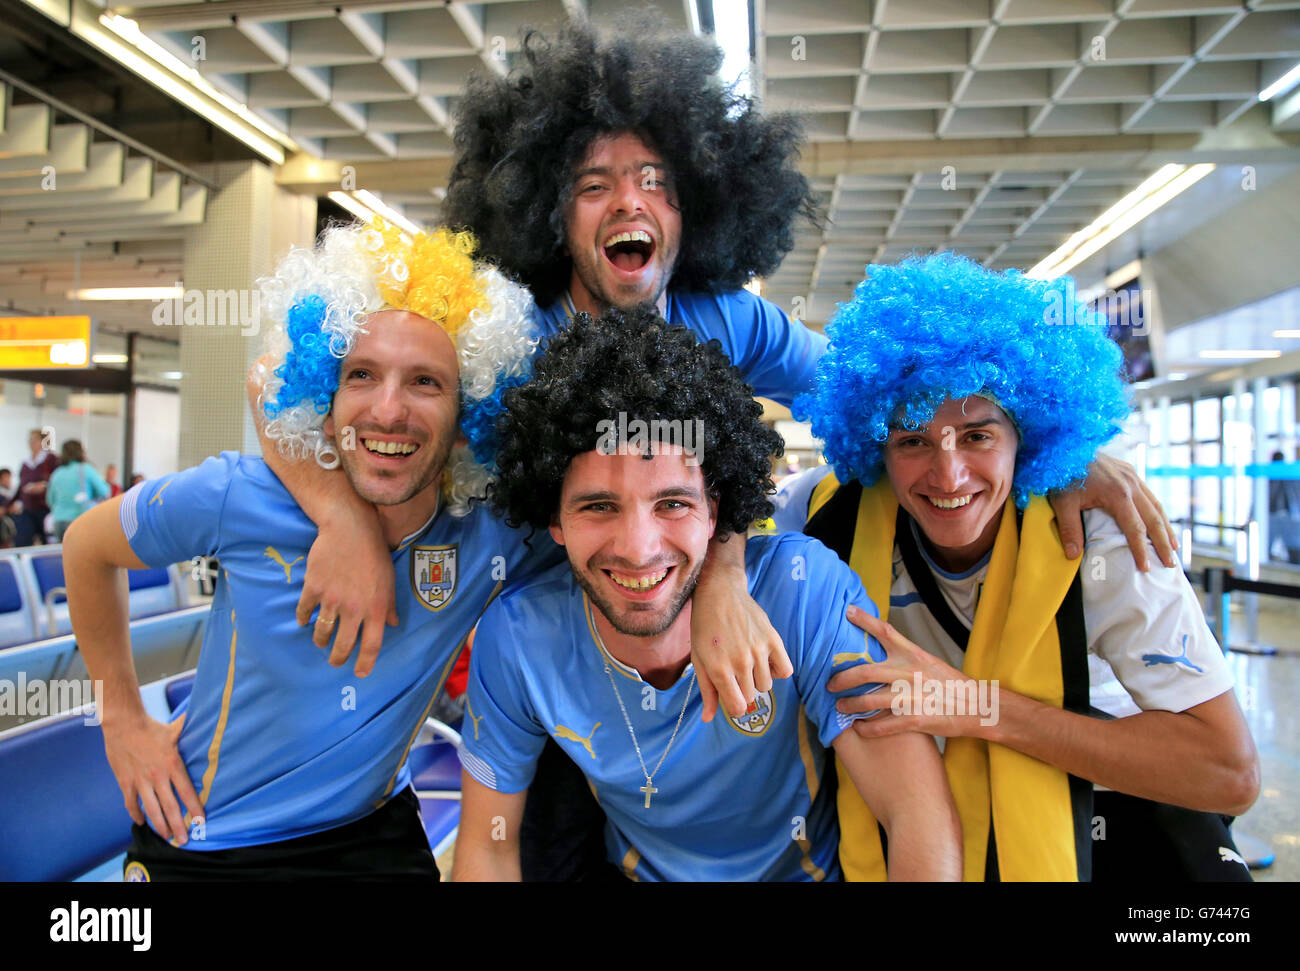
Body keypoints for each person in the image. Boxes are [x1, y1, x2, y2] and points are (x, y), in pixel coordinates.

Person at [257, 16, 1180, 880]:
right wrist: (340, 515)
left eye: (657, 179)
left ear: (696, 201)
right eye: (594, 183)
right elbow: (283, 387)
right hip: (557, 664)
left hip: (694, 637)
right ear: (549, 213)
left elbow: (887, 393)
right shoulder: (506, 339)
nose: (631, 199)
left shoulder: (724, 320)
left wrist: (1056, 446)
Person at [63, 222, 549, 880]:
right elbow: (86, 547)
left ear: (471, 414)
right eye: (360, 374)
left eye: (426, 383)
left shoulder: (488, 534)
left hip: (374, 833)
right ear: (324, 396)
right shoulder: (239, 494)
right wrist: (120, 715)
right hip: (207, 840)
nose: (388, 410)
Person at [781, 253, 1260, 881]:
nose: (948, 475)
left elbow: (1230, 774)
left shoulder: (1100, 540)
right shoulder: (825, 518)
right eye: (913, 440)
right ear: (875, 445)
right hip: (933, 821)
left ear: (1027, 437)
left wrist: (982, 708)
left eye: (978, 436)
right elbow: (708, 528)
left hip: (1114, 817)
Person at [453, 306, 961, 881]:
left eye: (672, 504)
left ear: (716, 512)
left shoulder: (803, 592)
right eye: (598, 506)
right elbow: (489, 849)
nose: (638, 549)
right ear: (554, 521)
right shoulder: (519, 636)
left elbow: (915, 811)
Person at [46, 440, 111, 542]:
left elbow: (50, 501)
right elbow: (104, 491)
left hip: (59, 521)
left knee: (64, 555)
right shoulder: (86, 469)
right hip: (80, 519)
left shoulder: (57, 473)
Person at [15, 428, 58, 545]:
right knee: (22, 540)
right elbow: (21, 486)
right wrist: (14, 502)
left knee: (47, 542)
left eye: (35, 439)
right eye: (30, 439)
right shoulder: (25, 463)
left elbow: (57, 481)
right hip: (28, 508)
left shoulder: (51, 459)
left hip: (46, 508)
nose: (31, 442)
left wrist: (44, 486)